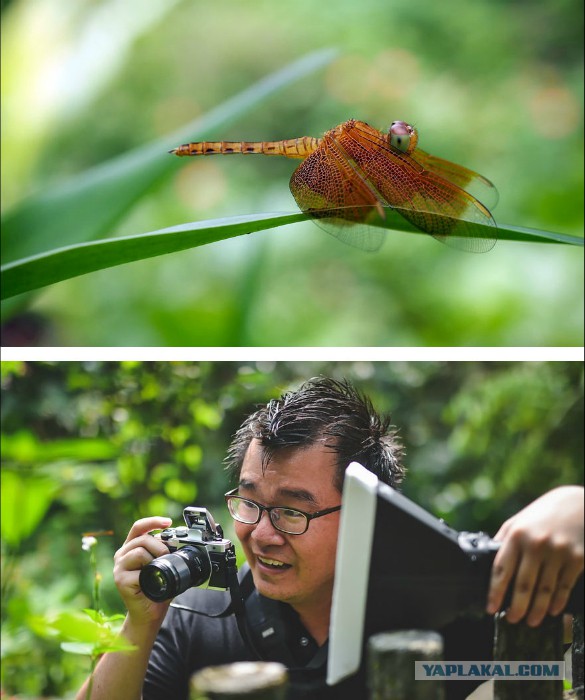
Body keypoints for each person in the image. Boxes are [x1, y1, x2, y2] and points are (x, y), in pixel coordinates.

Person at [77, 377, 584, 700]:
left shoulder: (445, 616)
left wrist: (574, 506)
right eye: (250, 502)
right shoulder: (195, 621)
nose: (263, 534)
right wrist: (140, 623)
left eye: (294, 512)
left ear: (369, 509)